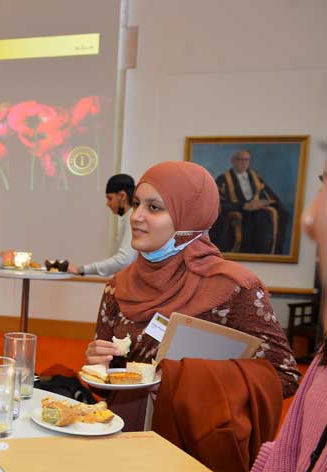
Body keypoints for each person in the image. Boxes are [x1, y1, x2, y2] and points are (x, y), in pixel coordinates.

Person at [85, 161, 299, 430]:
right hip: (125, 433)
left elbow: (285, 376)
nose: (136, 216)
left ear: (190, 216)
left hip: (196, 440)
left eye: (154, 207)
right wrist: (99, 366)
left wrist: (192, 381)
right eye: (137, 203)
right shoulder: (118, 286)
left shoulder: (232, 287)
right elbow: (107, 387)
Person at [251, 152, 327, 472]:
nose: (308, 219)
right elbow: (290, 448)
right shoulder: (324, 362)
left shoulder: (234, 284)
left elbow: (283, 374)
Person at [211, 150, 288, 254]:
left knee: (280, 212)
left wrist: (263, 203)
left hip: (257, 210)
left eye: (246, 160)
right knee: (258, 220)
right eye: (240, 160)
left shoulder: (254, 176)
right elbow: (219, 203)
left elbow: (267, 194)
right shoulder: (223, 179)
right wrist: (244, 206)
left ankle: (270, 253)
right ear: (233, 161)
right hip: (239, 210)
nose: (244, 163)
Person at [68, 174, 138, 276]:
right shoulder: (128, 218)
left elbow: (123, 260)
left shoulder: (133, 217)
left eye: (110, 198)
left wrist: (83, 269)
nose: (107, 203)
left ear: (122, 196)